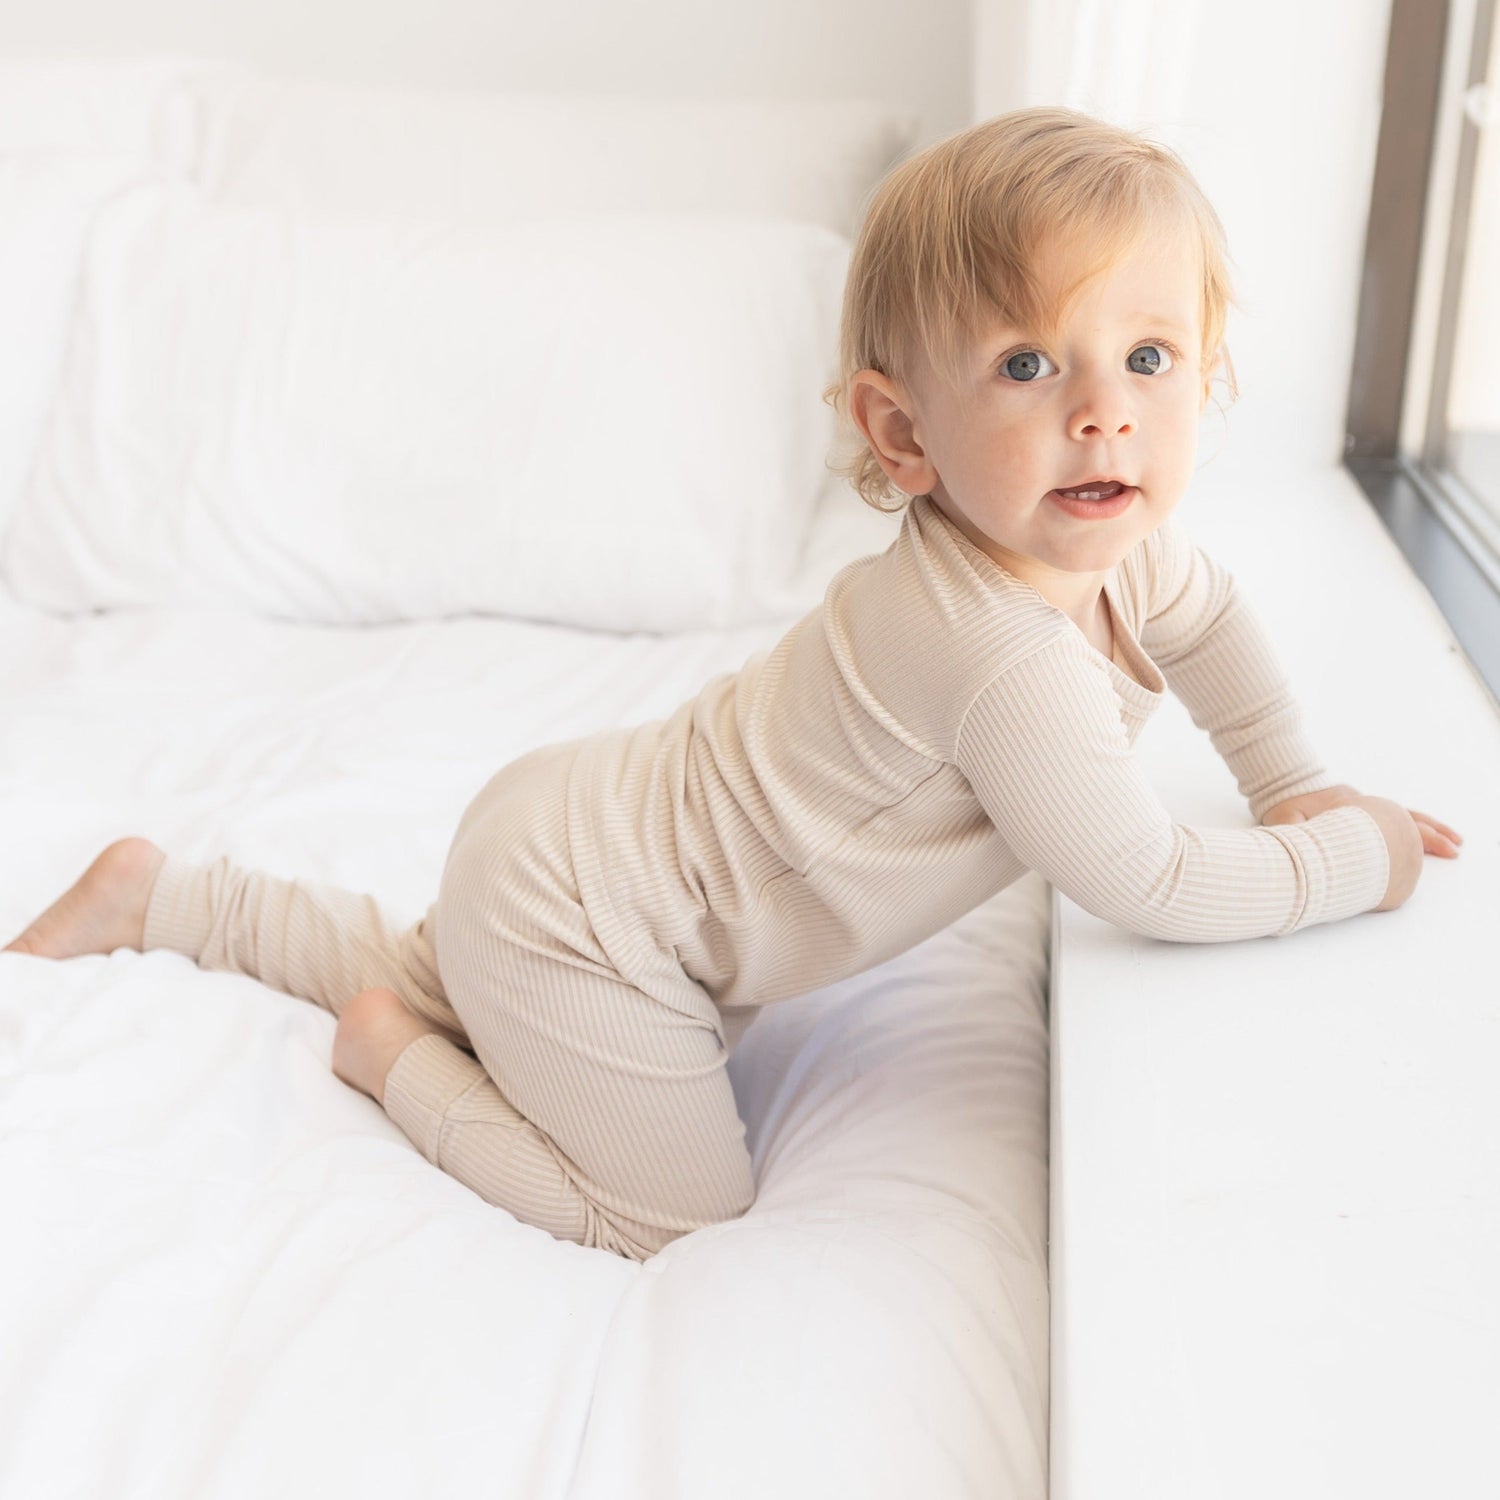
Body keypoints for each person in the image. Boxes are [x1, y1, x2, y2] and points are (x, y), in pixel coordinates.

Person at [4, 106, 1463, 1262]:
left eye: (1148, 356)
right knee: (668, 1213)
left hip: (568, 835)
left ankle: (172, 900)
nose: (1102, 413)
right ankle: (393, 1061)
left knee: (458, 966)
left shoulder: (1112, 548)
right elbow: (1151, 880)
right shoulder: (998, 654)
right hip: (600, 920)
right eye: (1028, 366)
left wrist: (1290, 777)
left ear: (1206, 376)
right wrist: (1359, 853)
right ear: (903, 436)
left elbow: (1210, 620)